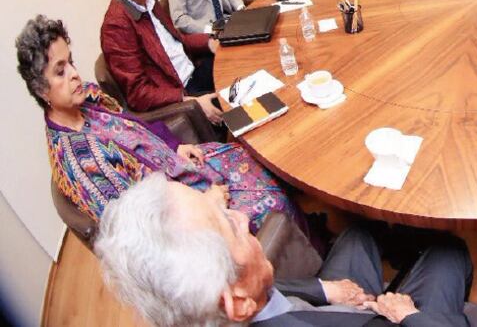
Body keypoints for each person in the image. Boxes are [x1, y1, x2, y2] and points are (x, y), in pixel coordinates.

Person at [16, 16, 302, 234]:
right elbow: (140, 229)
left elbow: (136, 126)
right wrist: (207, 204)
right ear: (42, 90)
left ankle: (303, 231)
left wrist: (176, 146)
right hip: (183, 219)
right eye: (60, 71)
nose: (75, 75)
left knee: (250, 152)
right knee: (272, 201)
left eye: (72, 63)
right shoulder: (80, 161)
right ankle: (305, 270)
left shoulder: (89, 98)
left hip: (179, 168)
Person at [96, 174, 474, 327]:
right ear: (237, 303)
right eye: (228, 224)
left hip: (327, 308)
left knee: (358, 231)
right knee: (450, 252)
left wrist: (325, 291)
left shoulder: (223, 305)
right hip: (375, 319)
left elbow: (272, 298)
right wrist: (404, 314)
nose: (242, 217)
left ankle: (401, 266)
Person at [100, 0, 222, 122]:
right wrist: (191, 101)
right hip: (182, 93)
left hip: (193, 71)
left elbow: (177, 41)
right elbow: (138, 94)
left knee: (240, 61)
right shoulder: (116, 26)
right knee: (242, 97)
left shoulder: (148, 1)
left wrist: (209, 42)